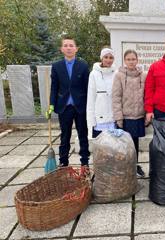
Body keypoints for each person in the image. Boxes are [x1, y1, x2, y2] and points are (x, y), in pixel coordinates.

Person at [46, 35, 90, 176]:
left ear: (76, 49)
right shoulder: (57, 67)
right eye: (66, 45)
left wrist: (89, 107)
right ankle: (63, 163)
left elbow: (88, 88)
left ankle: (85, 163)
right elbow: (54, 87)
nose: (69, 48)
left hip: (80, 106)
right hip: (64, 107)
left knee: (83, 135)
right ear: (61, 49)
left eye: (71, 45)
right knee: (65, 135)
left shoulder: (83, 66)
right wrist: (51, 105)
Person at [112, 50, 147, 178]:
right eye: (128, 59)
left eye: (133, 59)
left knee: (135, 143)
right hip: (126, 116)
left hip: (138, 115)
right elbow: (116, 97)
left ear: (137, 60)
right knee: (124, 144)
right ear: (124, 61)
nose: (131, 61)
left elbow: (147, 95)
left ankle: (135, 165)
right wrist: (118, 117)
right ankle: (125, 167)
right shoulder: (119, 76)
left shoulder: (143, 75)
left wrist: (147, 113)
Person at [87, 47, 117, 139]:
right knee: (100, 148)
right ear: (101, 58)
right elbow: (91, 98)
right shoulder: (94, 74)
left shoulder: (116, 73)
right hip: (99, 116)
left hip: (113, 117)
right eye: (106, 57)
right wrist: (91, 120)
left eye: (111, 57)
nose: (108, 60)